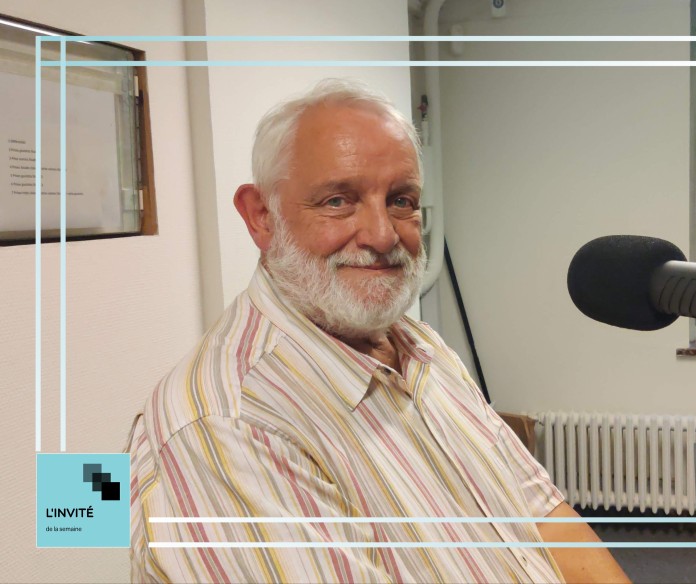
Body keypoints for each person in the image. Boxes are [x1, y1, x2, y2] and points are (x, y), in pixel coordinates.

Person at [127, 78, 629, 584]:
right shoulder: (227, 424)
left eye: (401, 200)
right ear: (261, 217)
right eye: (338, 201)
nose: (384, 235)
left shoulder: (420, 346)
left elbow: (542, 514)